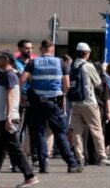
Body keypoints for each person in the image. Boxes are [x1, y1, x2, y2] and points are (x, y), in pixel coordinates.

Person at [19, 40, 81, 173]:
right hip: (54, 103)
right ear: (52, 49)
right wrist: (63, 95)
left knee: (39, 133)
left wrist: (22, 95)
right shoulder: (61, 63)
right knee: (60, 133)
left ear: (41, 49)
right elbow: (67, 85)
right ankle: (71, 164)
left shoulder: (33, 63)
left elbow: (22, 80)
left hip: (37, 102)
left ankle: (43, 165)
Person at [0, 51, 37, 188]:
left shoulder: (9, 75)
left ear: (6, 59)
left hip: (8, 117)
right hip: (5, 117)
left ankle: (30, 176)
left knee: (15, 148)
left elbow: (10, 95)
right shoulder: (8, 74)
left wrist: (9, 116)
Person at [65, 42, 108, 167]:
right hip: (89, 101)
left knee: (77, 131)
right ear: (86, 53)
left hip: (75, 102)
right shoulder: (88, 66)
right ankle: (102, 156)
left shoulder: (72, 65)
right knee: (96, 129)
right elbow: (98, 82)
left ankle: (80, 158)